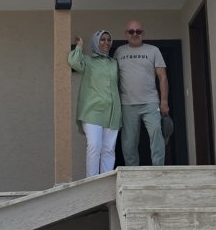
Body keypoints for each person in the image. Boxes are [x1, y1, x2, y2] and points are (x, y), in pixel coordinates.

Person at [114, 21, 169, 166]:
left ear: (143, 33)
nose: (135, 34)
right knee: (129, 141)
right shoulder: (119, 51)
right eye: (131, 31)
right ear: (126, 34)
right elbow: (113, 77)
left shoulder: (153, 50)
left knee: (156, 132)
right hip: (127, 103)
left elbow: (162, 77)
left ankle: (158, 168)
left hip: (151, 102)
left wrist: (164, 101)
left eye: (138, 31)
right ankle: (132, 171)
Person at [68, 29, 122, 177]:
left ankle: (105, 184)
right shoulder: (88, 60)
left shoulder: (114, 63)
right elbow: (74, 63)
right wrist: (79, 46)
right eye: (102, 39)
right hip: (92, 112)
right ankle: (92, 183)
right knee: (94, 146)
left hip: (112, 112)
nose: (106, 42)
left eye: (108, 40)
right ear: (96, 42)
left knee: (109, 150)